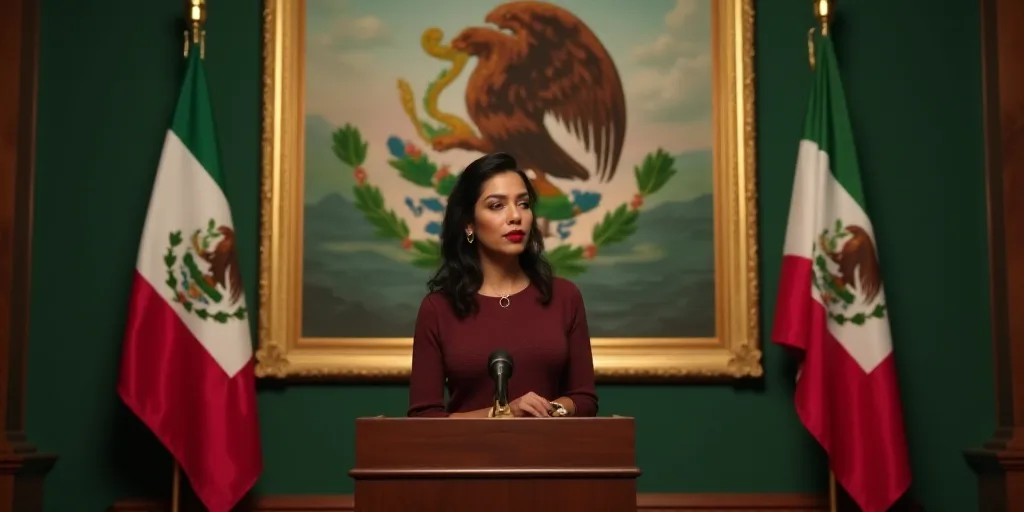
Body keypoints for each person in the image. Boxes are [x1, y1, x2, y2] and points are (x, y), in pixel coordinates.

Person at [406, 152, 598, 418]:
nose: (515, 216)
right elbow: (424, 418)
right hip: (466, 457)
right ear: (469, 224)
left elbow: (584, 399)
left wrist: (547, 410)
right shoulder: (437, 309)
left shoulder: (565, 296)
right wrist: (505, 413)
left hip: (549, 455)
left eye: (523, 204)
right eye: (497, 205)